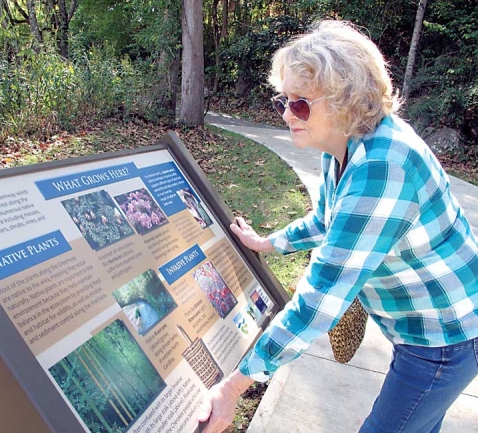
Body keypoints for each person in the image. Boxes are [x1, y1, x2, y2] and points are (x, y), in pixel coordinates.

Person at [198, 20, 478, 433]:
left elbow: (319, 301)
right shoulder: (343, 145)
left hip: (444, 337)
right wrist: (268, 244)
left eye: (301, 104)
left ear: (347, 99)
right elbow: (328, 222)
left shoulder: (381, 169)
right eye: (284, 101)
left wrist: (233, 387)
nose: (287, 114)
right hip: (427, 327)